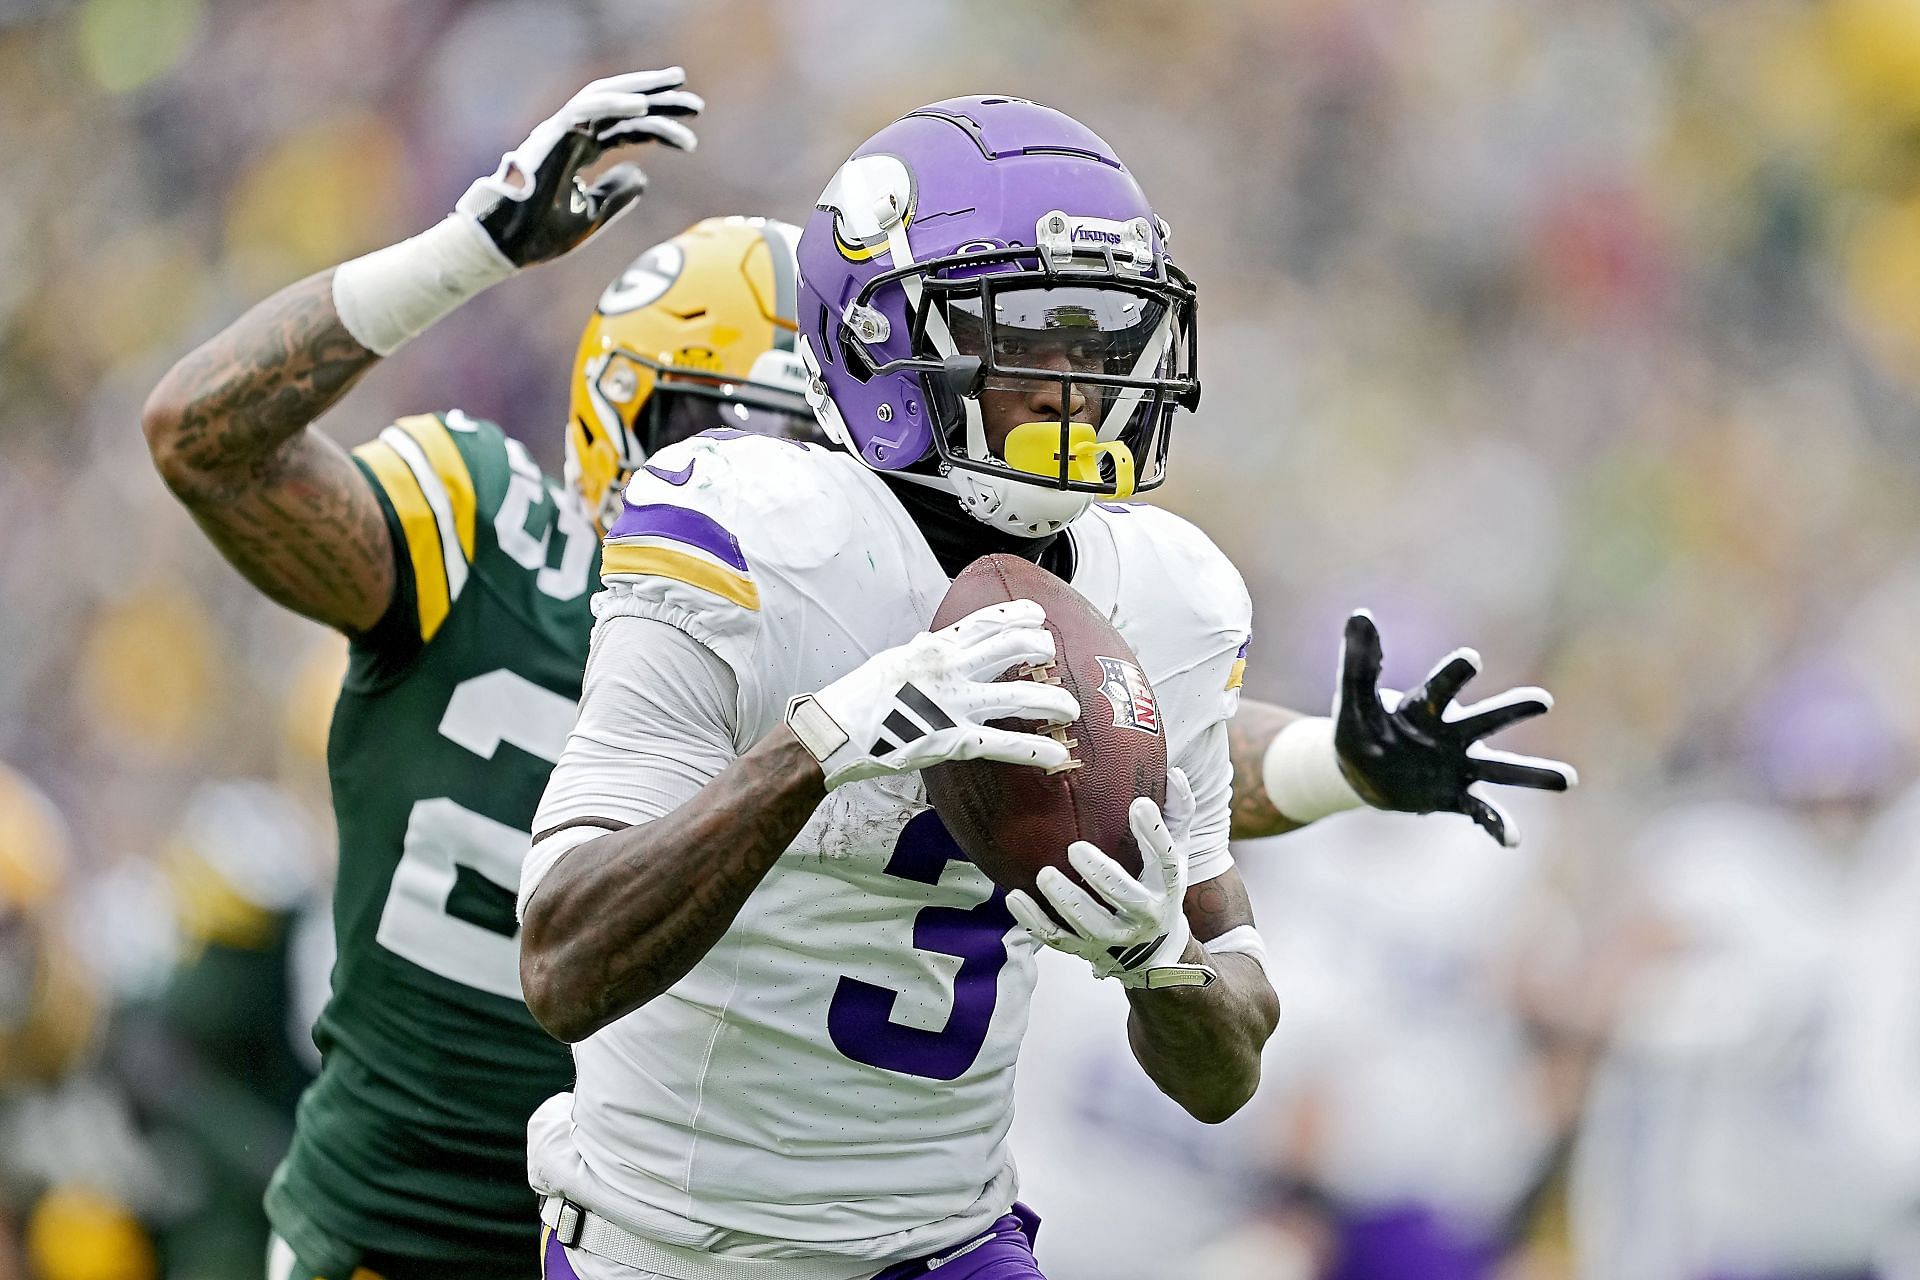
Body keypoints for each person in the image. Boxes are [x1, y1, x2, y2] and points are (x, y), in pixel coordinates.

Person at [515, 93, 1574, 1280]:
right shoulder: (750, 536)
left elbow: (1228, 1070)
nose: (1080, 389)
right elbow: (562, 965)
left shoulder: (1163, 591)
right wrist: (821, 745)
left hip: (952, 1245)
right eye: (1028, 339)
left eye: (1102, 343)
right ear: (879, 339)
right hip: (669, 1250)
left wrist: (1159, 960)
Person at [140, 70, 820, 1280]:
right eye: (721, 434)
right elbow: (199, 437)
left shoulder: (848, 629)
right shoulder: (490, 529)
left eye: (800, 453)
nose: (757, 489)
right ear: (621, 420)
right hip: (393, 1237)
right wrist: (464, 252)